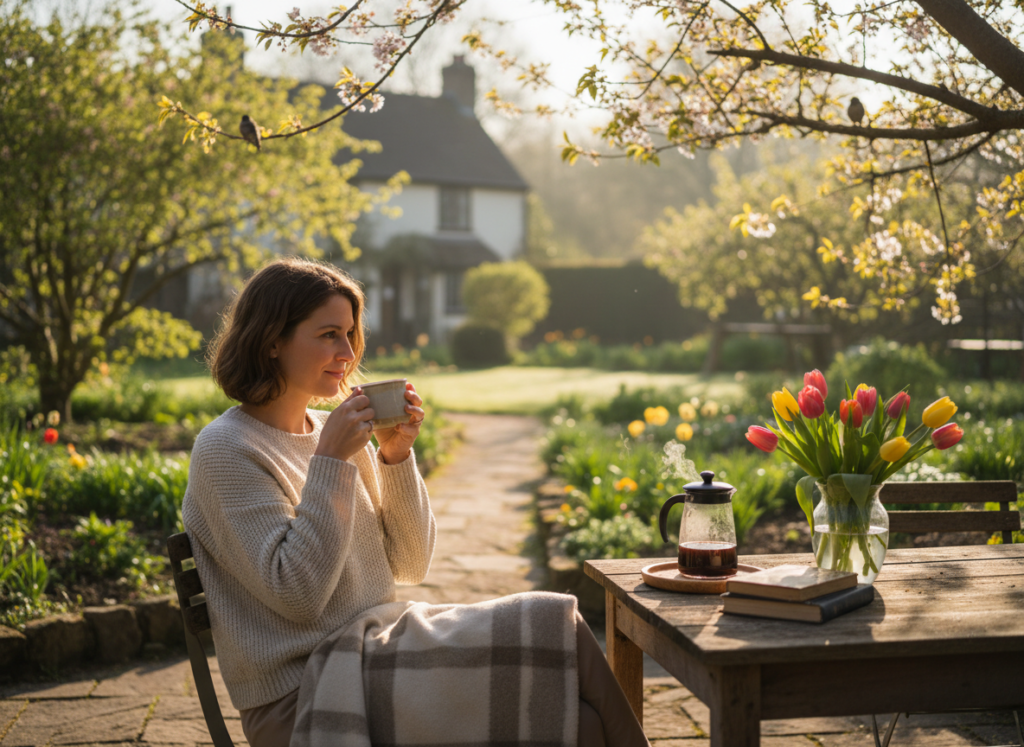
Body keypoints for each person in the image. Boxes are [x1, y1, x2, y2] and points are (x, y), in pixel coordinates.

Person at [182, 257, 649, 747]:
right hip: (308, 692)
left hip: (380, 652)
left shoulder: (333, 434)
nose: (347, 352)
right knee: (579, 724)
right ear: (272, 339)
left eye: (349, 333)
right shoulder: (227, 450)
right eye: (328, 335)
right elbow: (298, 597)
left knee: (560, 625)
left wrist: (395, 456)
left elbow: (409, 563)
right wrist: (331, 463)